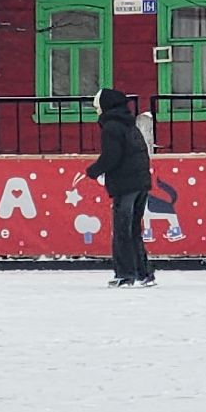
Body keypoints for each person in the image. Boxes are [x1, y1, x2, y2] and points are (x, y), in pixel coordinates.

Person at [82, 87, 155, 288]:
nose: (96, 110)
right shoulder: (129, 125)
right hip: (140, 182)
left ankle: (125, 275)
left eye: (97, 106)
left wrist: (93, 171)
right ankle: (143, 273)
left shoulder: (112, 127)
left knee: (122, 231)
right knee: (134, 230)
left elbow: (111, 156)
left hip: (125, 184)